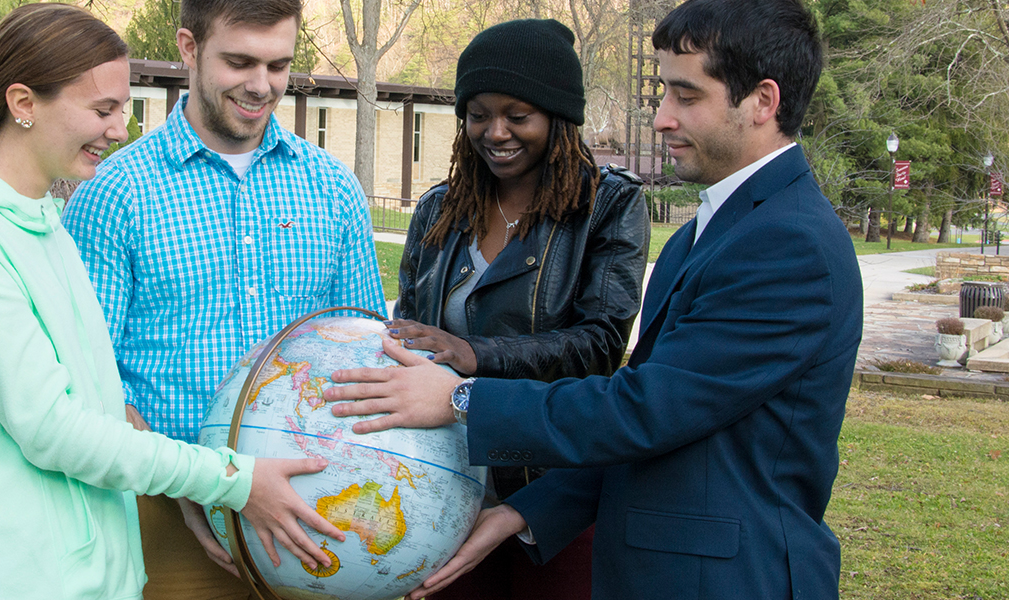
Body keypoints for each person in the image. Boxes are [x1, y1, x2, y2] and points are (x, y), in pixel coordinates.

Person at [326, 1, 863, 598]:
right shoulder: (711, 228)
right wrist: (526, 510)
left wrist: (461, 396)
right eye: (664, 93)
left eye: (686, 96)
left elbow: (649, 407)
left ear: (763, 101)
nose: (660, 118)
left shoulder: (788, 243)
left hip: (729, 577)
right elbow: (666, 421)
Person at [0, 5, 343, 599]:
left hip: (86, 570)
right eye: (102, 110)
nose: (120, 130)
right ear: (24, 104)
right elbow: (54, 429)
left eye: (121, 108)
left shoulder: (44, 224)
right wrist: (229, 481)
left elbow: (99, 399)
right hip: (9, 574)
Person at [60, 0, 386, 597]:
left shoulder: (333, 188)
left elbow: (364, 355)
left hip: (315, 516)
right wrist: (192, 485)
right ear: (189, 48)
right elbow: (89, 376)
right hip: (165, 509)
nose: (262, 86)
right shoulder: (112, 194)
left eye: (279, 65)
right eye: (239, 62)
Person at [385, 19, 649, 600]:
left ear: (558, 117)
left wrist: (474, 355)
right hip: (439, 492)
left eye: (517, 115)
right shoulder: (439, 210)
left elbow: (600, 343)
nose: (495, 131)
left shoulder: (608, 205)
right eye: (477, 113)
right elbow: (405, 331)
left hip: (551, 499)